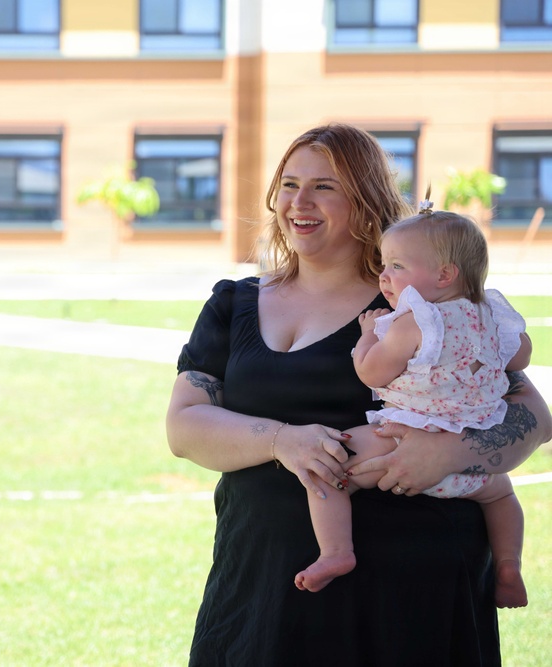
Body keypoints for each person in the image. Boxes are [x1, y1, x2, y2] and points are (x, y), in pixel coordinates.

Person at [165, 123, 551, 666]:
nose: (300, 202)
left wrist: (451, 452)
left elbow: (533, 414)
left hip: (413, 590)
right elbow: (184, 427)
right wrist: (282, 441)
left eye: (325, 187)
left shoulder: (421, 304)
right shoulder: (234, 303)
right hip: (262, 581)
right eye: (290, 184)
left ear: (367, 202)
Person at [294, 203, 531, 609]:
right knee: (502, 497)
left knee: (325, 471)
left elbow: (372, 373)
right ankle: (508, 566)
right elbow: (521, 356)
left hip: (400, 439)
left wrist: (368, 335)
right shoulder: (492, 316)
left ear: (444, 274)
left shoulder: (415, 321)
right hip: (472, 457)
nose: (385, 276)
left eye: (397, 266)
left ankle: (336, 552)